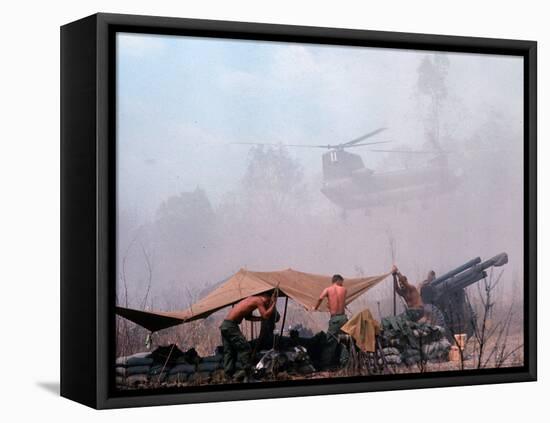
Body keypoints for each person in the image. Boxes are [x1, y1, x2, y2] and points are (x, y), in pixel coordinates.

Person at [219, 291, 277, 380]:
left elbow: (248, 317)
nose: (266, 304)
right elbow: (266, 315)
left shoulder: (250, 299)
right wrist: (273, 304)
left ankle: (228, 375)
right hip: (231, 325)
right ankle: (247, 372)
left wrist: (260, 319)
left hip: (225, 325)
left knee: (230, 351)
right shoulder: (258, 300)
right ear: (265, 296)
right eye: (267, 301)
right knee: (245, 348)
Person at [313, 274, 349, 367]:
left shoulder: (328, 289)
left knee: (329, 342)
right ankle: (344, 364)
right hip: (344, 318)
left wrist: (315, 308)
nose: (342, 284)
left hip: (335, 319)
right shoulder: (344, 290)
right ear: (338, 280)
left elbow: (320, 298)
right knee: (344, 341)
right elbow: (340, 301)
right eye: (342, 282)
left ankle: (325, 365)